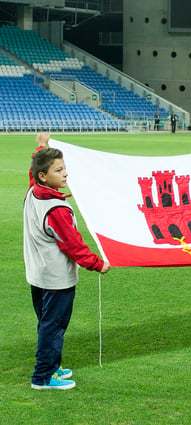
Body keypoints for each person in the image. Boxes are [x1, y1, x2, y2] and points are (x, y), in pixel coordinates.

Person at [24, 144, 111, 390]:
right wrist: (98, 264)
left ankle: (51, 366)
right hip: (56, 279)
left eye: (65, 169)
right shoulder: (57, 209)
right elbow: (73, 246)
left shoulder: (34, 191)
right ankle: (42, 377)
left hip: (38, 273)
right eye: (59, 170)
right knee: (53, 326)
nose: (65, 174)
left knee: (46, 323)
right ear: (44, 176)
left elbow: (32, 172)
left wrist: (40, 148)